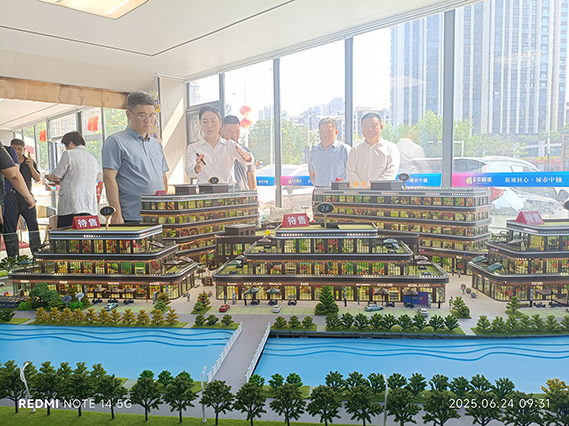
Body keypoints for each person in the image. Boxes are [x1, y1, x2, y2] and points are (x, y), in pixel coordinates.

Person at [102, 91, 169, 223]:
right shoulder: (115, 142)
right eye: (142, 115)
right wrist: (116, 214)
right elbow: (109, 178)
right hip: (131, 216)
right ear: (128, 114)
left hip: (158, 215)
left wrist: (165, 207)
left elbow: (163, 176)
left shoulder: (156, 144)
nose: (148, 120)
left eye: (152, 115)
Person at [185, 106, 253, 185]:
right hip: (204, 190)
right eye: (205, 122)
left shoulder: (230, 145)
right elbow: (189, 171)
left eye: (213, 121)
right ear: (200, 124)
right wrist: (196, 169)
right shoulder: (193, 148)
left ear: (220, 123)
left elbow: (247, 161)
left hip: (228, 190)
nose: (209, 125)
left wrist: (247, 157)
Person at [45, 132, 98, 228]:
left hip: (71, 205)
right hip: (89, 205)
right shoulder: (93, 158)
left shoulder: (68, 154)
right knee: (86, 235)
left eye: (66, 145)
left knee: (68, 234)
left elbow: (56, 175)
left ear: (71, 142)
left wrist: (48, 176)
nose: (66, 148)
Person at [0, 145, 36, 257]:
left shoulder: (9, 151)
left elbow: (14, 172)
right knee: (9, 230)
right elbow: (13, 174)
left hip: (10, 195)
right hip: (7, 195)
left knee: (10, 230)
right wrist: (28, 196)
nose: (17, 151)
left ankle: (14, 258)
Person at [346, 113, 400, 186]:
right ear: (361, 129)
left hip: (382, 191)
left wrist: (374, 187)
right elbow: (350, 173)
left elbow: (391, 172)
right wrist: (361, 187)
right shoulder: (355, 150)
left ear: (381, 127)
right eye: (366, 126)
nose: (370, 129)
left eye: (374, 125)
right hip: (360, 191)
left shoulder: (391, 148)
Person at [8, 139, 41, 254]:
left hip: (27, 200)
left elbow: (37, 178)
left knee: (33, 226)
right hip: (11, 199)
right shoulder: (7, 163)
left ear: (24, 149)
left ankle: (36, 252)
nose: (17, 151)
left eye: (19, 149)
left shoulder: (29, 162)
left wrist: (31, 167)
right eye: (14, 149)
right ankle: (13, 255)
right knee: (11, 228)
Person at [308, 118, 350, 187]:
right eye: (322, 132)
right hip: (318, 190)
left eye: (329, 131)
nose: (325, 135)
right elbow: (312, 174)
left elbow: (351, 173)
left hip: (339, 191)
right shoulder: (314, 152)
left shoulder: (344, 150)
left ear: (336, 132)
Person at [219, 115, 257, 190]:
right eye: (230, 131)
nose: (234, 135)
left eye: (237, 131)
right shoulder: (218, 150)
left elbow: (251, 176)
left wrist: (253, 194)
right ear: (223, 131)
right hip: (224, 193)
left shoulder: (245, 151)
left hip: (242, 193)